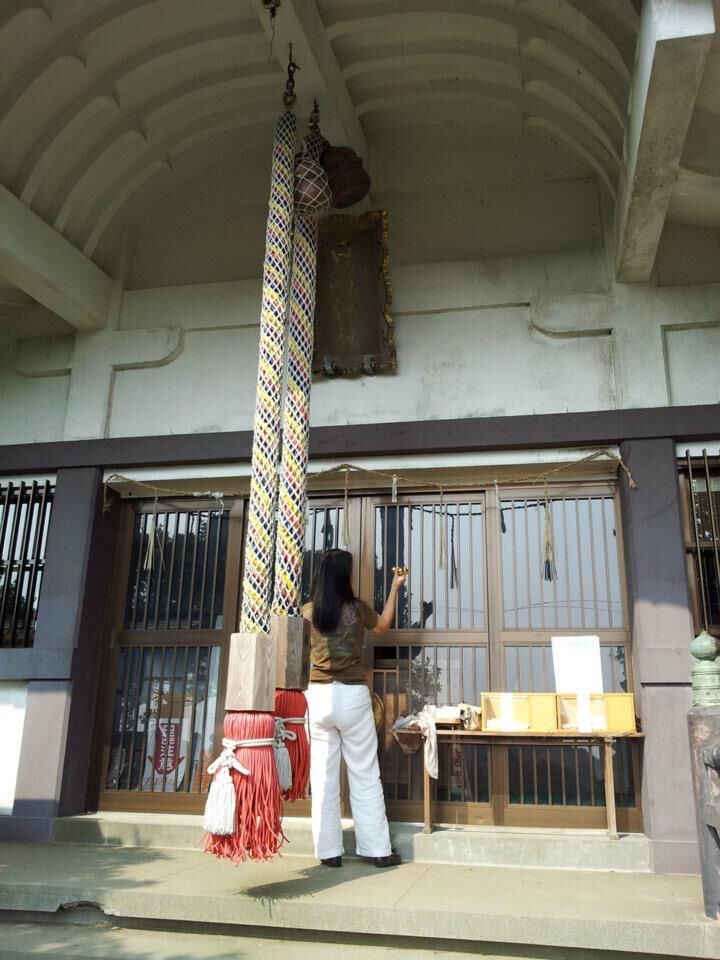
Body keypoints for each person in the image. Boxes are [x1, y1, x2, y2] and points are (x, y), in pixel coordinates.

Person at [302, 549, 407, 868]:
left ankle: (328, 852)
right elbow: (385, 625)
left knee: (322, 777)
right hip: (351, 696)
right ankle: (377, 850)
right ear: (346, 575)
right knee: (364, 772)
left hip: (318, 697)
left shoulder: (309, 611)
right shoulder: (357, 609)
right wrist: (394, 587)